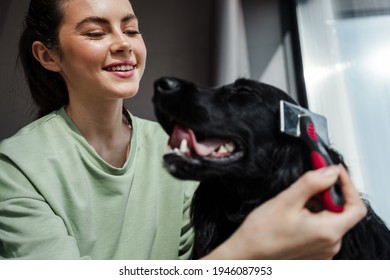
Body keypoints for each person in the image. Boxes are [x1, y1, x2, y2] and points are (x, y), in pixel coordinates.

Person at [0, 0, 366, 260]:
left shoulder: (178, 151)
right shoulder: (16, 167)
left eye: (131, 29)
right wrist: (246, 254)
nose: (123, 44)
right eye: (96, 33)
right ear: (48, 56)